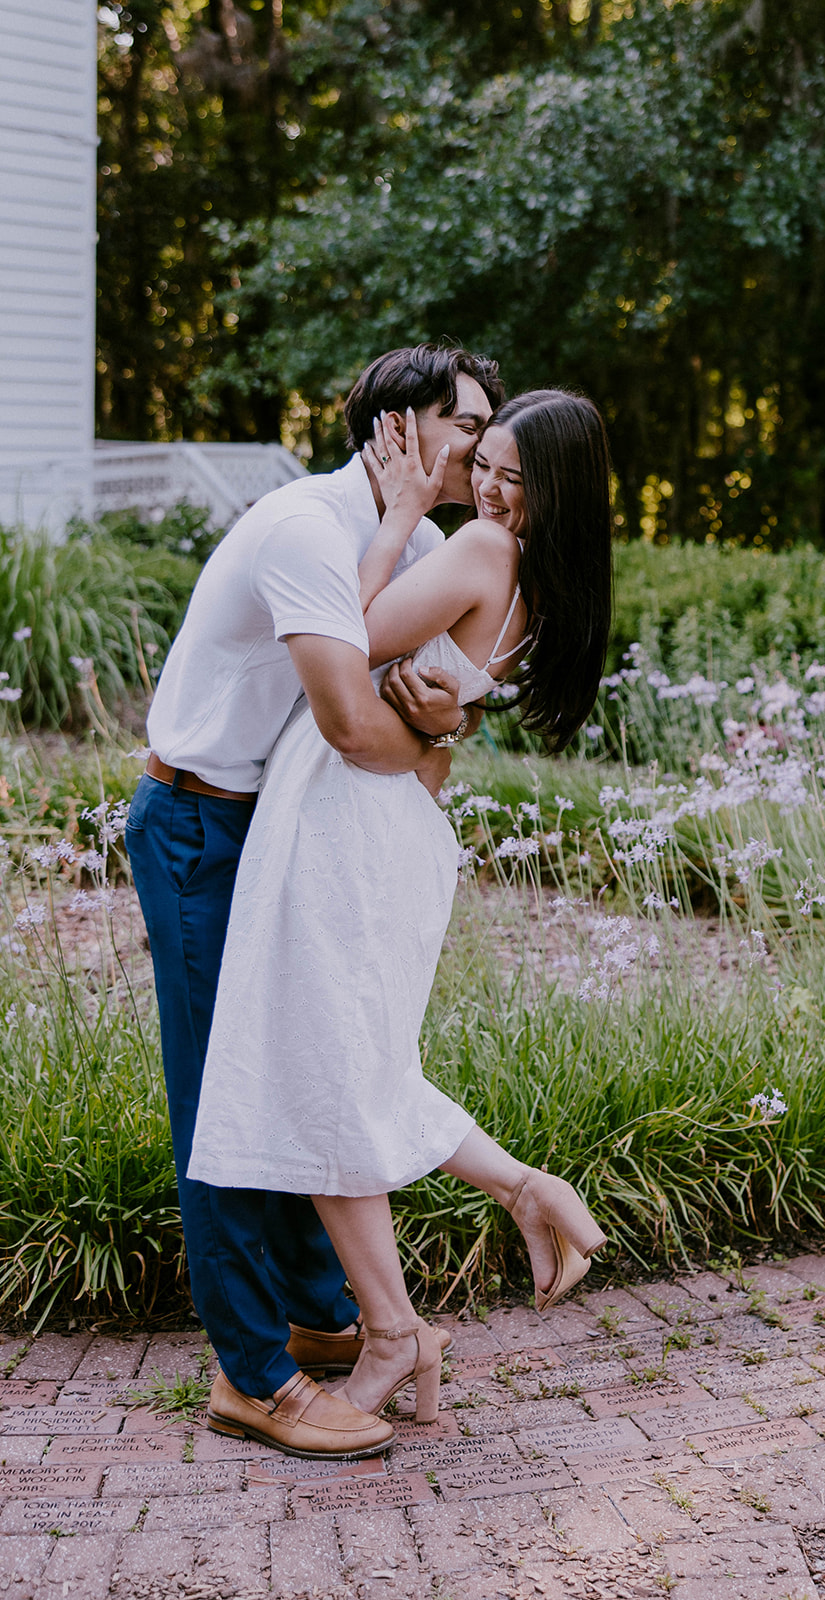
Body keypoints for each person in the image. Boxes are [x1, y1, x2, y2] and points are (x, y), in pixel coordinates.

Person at [187, 389, 613, 1434]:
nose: (491, 488)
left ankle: (391, 1330)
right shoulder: (539, 578)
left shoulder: (477, 549)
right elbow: (426, 680)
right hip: (384, 822)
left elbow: (350, 629)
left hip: (348, 823)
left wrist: (388, 521)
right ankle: (517, 1200)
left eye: (516, 477)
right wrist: (449, 713)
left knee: (334, 1072)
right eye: (488, 465)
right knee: (355, 1064)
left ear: (553, 492)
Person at [125, 342, 505, 1462]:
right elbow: (357, 725)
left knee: (293, 1067)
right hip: (199, 825)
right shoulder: (304, 529)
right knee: (224, 1103)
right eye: (467, 424)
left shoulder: (423, 546)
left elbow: (424, 754)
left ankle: (320, 1316)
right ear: (397, 429)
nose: (483, 448)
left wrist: (438, 728)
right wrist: (439, 722)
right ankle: (252, 1378)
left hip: (279, 831)